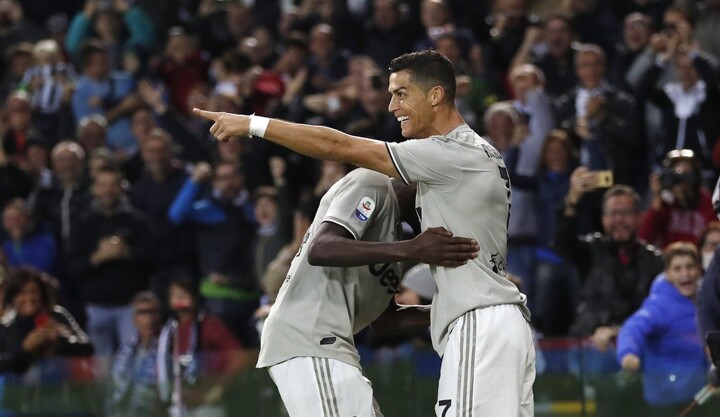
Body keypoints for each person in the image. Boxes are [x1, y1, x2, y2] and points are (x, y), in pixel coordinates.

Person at [194, 49, 535, 417]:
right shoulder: (464, 164)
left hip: (479, 323)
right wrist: (417, 261)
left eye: (401, 93)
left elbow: (339, 145)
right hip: (321, 341)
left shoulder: (448, 155)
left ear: (435, 95)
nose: (391, 106)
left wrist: (252, 124)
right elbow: (336, 263)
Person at [257, 168, 478, 417]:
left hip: (331, 347)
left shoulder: (396, 235)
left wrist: (455, 310)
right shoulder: (371, 183)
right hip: (307, 338)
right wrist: (411, 249)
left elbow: (385, 322)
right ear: (419, 181)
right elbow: (321, 248)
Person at [616, 242, 708, 416]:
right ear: (668, 274)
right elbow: (632, 328)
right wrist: (628, 354)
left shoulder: (707, 300)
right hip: (668, 402)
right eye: (677, 269)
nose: (685, 273)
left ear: (699, 269)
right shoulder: (659, 305)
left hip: (703, 396)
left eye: (690, 266)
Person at [107, 291, 164, 417]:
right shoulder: (125, 350)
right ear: (134, 319)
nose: (149, 319)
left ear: (159, 316)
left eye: (153, 312)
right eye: (143, 313)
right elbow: (115, 387)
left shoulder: (167, 347)